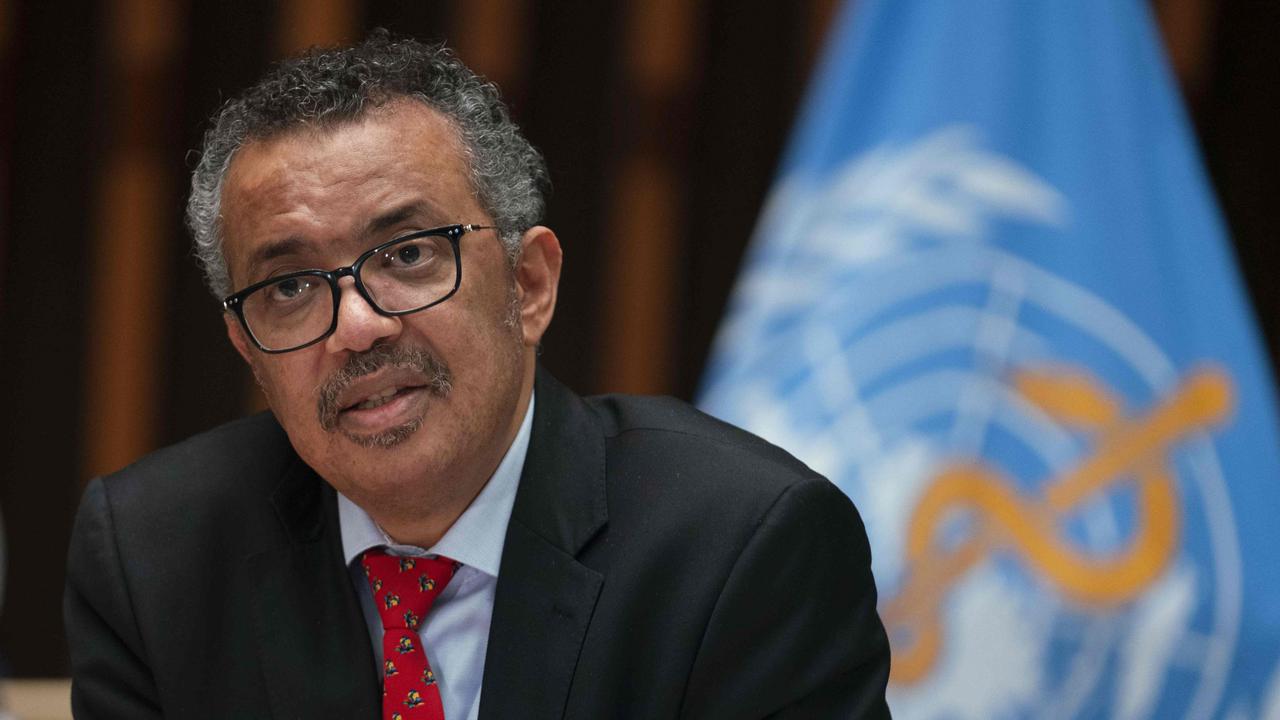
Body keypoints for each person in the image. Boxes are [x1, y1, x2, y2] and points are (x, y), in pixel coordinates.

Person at [63, 31, 890, 719]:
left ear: (530, 285)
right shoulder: (153, 556)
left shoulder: (741, 548)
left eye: (409, 254)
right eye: (288, 287)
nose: (357, 327)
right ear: (248, 350)